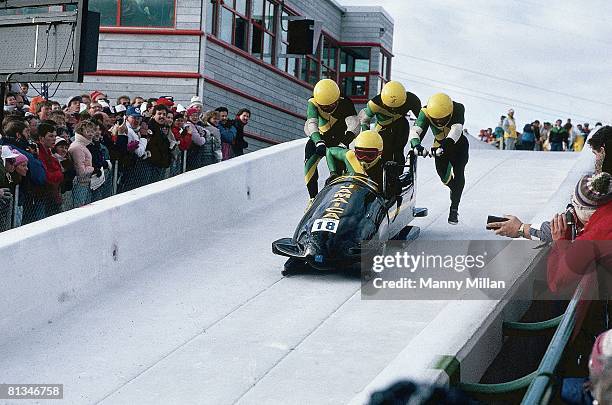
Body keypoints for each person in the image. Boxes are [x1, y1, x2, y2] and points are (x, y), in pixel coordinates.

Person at [409, 93, 469, 224]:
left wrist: (444, 147)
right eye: (435, 120)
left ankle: (454, 208)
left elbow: (456, 130)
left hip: (458, 146)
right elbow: (416, 130)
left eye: (443, 119)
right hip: (439, 146)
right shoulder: (425, 111)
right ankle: (455, 190)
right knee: (445, 178)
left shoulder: (458, 108)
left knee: (459, 173)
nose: (439, 122)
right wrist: (416, 145)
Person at [303, 79, 359, 208]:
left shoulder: (346, 102)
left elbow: (354, 125)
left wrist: (344, 142)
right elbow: (311, 123)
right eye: (323, 106)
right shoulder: (312, 102)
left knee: (338, 172)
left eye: (331, 106)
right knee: (309, 163)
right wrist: (318, 142)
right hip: (319, 136)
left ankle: (338, 201)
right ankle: (313, 198)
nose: (327, 109)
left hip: (337, 138)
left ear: (337, 100)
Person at [359, 81, 420, 181]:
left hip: (401, 125)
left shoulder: (412, 100)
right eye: (390, 106)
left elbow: (421, 121)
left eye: (397, 107)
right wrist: (367, 136)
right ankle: (377, 175)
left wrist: (416, 141)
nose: (393, 109)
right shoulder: (374, 104)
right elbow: (364, 120)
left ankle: (396, 175)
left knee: (398, 150)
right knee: (383, 150)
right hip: (382, 127)